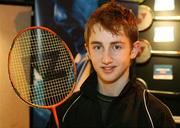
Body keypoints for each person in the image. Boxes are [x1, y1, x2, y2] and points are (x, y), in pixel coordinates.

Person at [46, 1, 176, 128]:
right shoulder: (65, 111)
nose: (106, 59)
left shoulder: (156, 116)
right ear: (88, 51)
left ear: (134, 50)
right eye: (97, 47)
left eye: (116, 47)